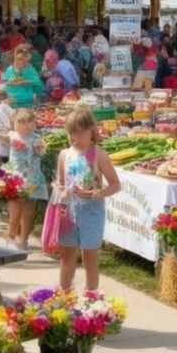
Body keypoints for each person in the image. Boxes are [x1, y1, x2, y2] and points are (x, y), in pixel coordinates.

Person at [53, 107, 121, 291]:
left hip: (92, 213)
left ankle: (91, 297)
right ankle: (65, 293)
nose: (76, 138)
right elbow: (58, 182)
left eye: (80, 133)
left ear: (91, 130)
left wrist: (100, 193)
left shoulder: (97, 154)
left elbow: (116, 184)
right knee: (67, 256)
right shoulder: (65, 154)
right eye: (72, 134)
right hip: (70, 213)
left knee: (89, 257)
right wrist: (61, 190)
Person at [6, 108, 47, 251]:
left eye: (29, 122)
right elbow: (5, 138)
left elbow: (42, 152)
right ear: (14, 123)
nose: (26, 125)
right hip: (16, 180)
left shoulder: (37, 137)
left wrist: (40, 148)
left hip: (33, 179)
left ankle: (24, 239)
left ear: (34, 124)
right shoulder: (13, 135)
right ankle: (11, 237)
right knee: (15, 212)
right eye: (21, 122)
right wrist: (13, 140)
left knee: (29, 211)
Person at [2, 43, 45, 109]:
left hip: (29, 105)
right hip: (12, 107)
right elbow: (5, 88)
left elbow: (39, 88)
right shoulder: (9, 70)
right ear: (14, 56)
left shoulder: (31, 70)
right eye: (19, 53)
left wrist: (29, 82)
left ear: (28, 58)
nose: (21, 58)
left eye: (25, 55)